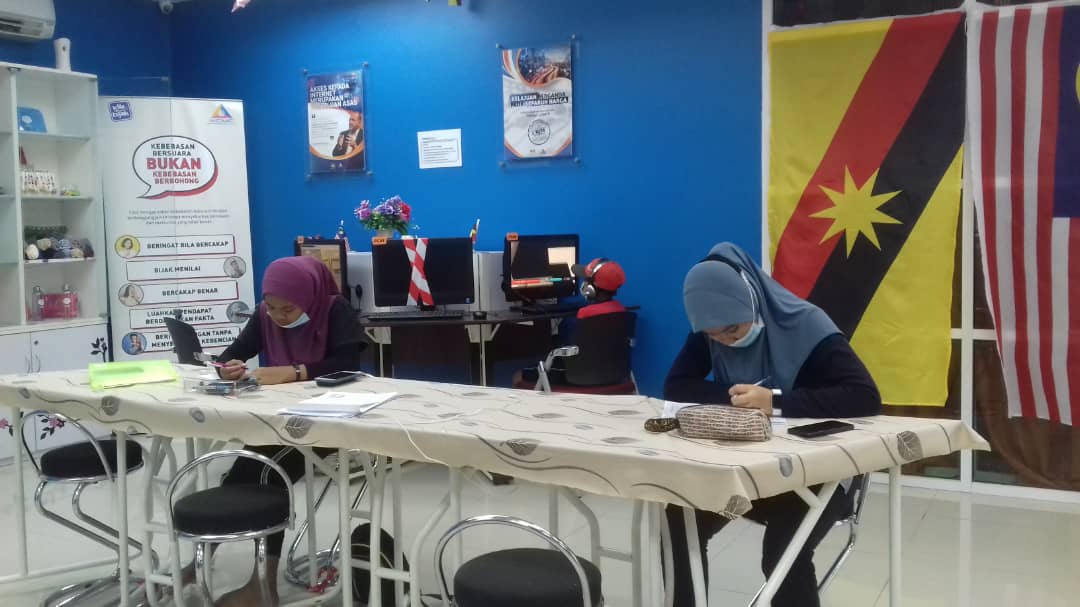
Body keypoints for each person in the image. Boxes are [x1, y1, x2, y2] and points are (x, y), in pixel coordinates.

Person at [664, 242, 881, 607]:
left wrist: (775, 402)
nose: (727, 341)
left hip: (820, 473)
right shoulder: (713, 327)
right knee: (680, 518)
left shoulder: (807, 325)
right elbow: (677, 385)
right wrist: (739, 397)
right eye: (715, 337)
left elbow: (864, 396)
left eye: (733, 330)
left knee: (783, 552)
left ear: (751, 299)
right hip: (749, 468)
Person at [197, 256, 366, 607]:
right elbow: (231, 355)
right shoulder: (265, 314)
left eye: (288, 309)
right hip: (282, 421)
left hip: (329, 422)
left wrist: (296, 372)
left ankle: (263, 584)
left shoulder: (334, 309)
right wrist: (226, 369)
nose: (279, 317)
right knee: (240, 473)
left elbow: (349, 364)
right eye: (272, 308)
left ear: (308, 296)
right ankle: (201, 564)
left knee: (268, 475)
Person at [511, 257, 627, 389]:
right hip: (614, 375)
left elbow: (572, 347)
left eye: (586, 280)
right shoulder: (621, 310)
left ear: (590, 288)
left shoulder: (586, 313)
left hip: (577, 376)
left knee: (519, 376)